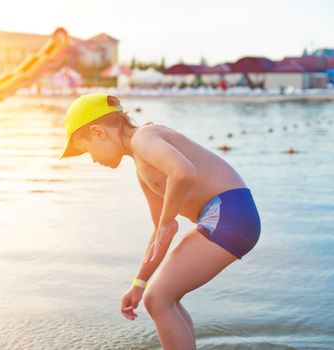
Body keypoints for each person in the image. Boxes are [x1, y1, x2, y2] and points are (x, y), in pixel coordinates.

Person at [58, 92, 261, 350]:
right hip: (227, 216)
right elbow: (162, 230)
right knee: (165, 299)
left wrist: (165, 222)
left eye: (88, 151)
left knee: (159, 299)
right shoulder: (142, 168)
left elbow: (184, 172)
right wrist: (138, 283)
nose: (94, 159)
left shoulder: (145, 137)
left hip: (229, 213)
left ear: (99, 132)